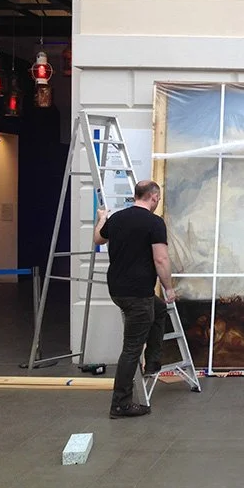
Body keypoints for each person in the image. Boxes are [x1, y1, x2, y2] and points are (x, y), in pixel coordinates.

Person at [94, 180, 176, 419]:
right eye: (158, 199)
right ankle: (120, 404)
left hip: (118, 290)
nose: (158, 202)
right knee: (131, 350)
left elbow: (99, 239)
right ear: (153, 197)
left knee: (159, 310)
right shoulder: (154, 222)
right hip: (138, 293)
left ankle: (153, 361)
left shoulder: (117, 219)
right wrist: (169, 288)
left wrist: (102, 217)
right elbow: (161, 260)